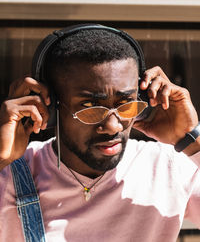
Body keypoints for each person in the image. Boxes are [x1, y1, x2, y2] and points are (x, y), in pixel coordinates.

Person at [0, 24, 200, 242]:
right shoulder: (9, 175)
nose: (114, 126)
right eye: (91, 108)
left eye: (126, 105)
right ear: (51, 108)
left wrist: (192, 140)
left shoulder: (168, 166)